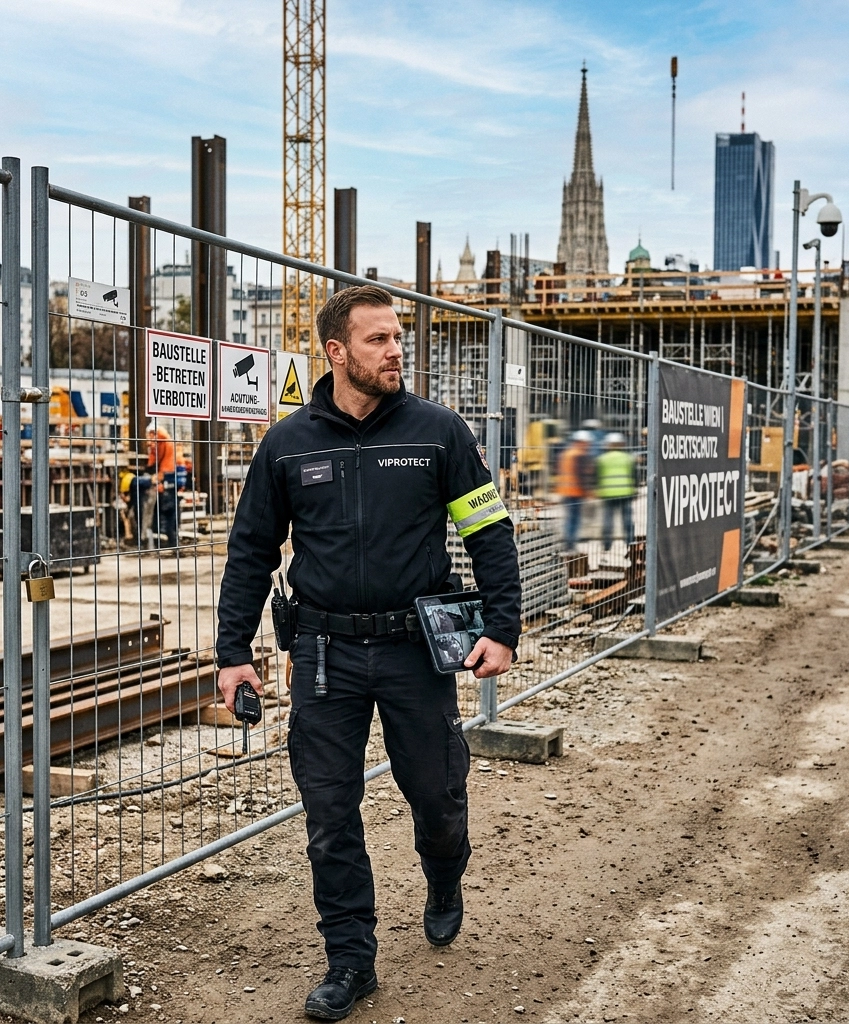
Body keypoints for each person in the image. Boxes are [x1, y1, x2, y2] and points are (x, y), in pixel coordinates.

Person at [215, 284, 522, 1021]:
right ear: (336, 351)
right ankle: (351, 959)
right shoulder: (288, 444)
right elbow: (251, 551)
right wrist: (233, 653)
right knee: (330, 813)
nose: (395, 351)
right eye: (378, 339)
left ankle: (444, 872)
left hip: (416, 650)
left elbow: (490, 532)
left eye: (397, 338)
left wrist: (502, 628)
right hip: (323, 654)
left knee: (438, 795)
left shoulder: (439, 433)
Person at [597, 432, 637, 552]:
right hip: (625, 492)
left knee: (608, 520)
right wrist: (634, 489)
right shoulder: (628, 458)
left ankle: (607, 544)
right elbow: (634, 475)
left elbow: (597, 476)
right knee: (627, 519)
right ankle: (630, 542)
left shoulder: (602, 459)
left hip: (608, 493)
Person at [555, 431, 594, 550]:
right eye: (587, 443)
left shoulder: (566, 454)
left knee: (570, 518)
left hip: (565, 490)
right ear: (580, 442)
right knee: (574, 519)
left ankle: (568, 542)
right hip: (575, 492)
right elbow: (581, 475)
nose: (588, 446)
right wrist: (587, 491)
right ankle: (570, 544)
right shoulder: (579, 455)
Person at [146, 426, 179, 549]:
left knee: (161, 512)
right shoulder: (167, 439)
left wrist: (149, 467)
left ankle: (165, 542)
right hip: (169, 480)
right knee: (170, 513)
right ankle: (171, 541)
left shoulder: (160, 440)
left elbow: (156, 456)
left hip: (163, 479)